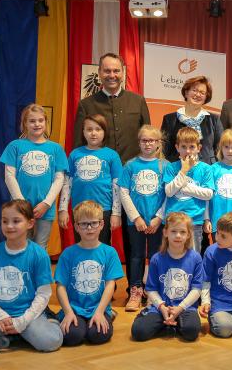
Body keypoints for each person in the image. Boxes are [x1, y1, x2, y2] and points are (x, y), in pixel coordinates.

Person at [73, 52, 151, 299]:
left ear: (123, 72)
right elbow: (78, 145)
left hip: (133, 183)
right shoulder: (87, 104)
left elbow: (146, 137)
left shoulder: (138, 101)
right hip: (99, 186)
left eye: (116, 71)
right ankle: (98, 286)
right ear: (99, 74)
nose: (112, 75)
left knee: (133, 239)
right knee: (99, 235)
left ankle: (135, 287)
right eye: (107, 71)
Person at [0, 200, 63, 357]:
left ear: (30, 223)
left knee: (50, 341)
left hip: (27, 314)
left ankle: (50, 321)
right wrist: (0, 316)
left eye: (16, 221)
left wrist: (23, 321)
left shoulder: (39, 255)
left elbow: (43, 294)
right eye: (5, 221)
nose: (9, 226)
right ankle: (11, 338)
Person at [55, 201, 124, 346]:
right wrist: (68, 312)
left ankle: (108, 314)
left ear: (101, 225)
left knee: (98, 335)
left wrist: (100, 312)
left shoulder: (109, 253)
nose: (89, 228)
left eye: (93, 223)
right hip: (74, 308)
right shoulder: (68, 254)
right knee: (71, 336)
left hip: (98, 307)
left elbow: (110, 285)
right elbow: (60, 286)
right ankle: (67, 319)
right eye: (84, 224)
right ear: (76, 227)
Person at [0, 104, 68, 249]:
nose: (37, 124)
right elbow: (9, 176)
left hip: (45, 207)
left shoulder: (56, 148)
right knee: (20, 245)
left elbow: (59, 179)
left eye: (40, 120)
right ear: (25, 124)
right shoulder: (15, 146)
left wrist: (46, 203)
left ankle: (38, 273)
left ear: (46, 122)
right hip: (20, 207)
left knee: (40, 247)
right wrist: (22, 203)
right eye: (32, 121)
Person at [131, 212, 203, 342]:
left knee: (191, 331)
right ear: (165, 233)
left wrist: (180, 308)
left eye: (182, 232)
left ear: (188, 235)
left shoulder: (196, 258)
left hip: (185, 306)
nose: (178, 235)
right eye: (173, 231)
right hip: (160, 307)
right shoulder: (157, 259)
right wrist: (162, 307)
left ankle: (169, 324)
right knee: (138, 331)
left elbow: (197, 289)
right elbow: (151, 289)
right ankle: (168, 322)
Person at [119, 125, 168, 311]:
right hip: (136, 222)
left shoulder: (165, 166)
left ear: (158, 143)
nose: (148, 144)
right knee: (136, 256)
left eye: (152, 140)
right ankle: (136, 290)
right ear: (139, 142)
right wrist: (136, 217)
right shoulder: (130, 165)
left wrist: (158, 217)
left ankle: (154, 292)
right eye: (144, 140)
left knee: (156, 256)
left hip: (157, 221)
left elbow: (168, 195)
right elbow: (123, 192)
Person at [58, 114, 123, 244]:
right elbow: (67, 184)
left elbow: (117, 186)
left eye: (98, 129)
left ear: (105, 132)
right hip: (79, 209)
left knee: (102, 245)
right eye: (89, 129)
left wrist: (116, 213)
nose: (93, 133)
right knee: (81, 245)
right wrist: (63, 209)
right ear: (83, 132)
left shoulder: (112, 155)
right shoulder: (75, 154)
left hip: (103, 209)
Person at [163, 127, 214, 254]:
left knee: (193, 256)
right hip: (173, 221)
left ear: (199, 148)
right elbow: (169, 192)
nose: (187, 151)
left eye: (192, 147)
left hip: (194, 220)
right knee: (174, 255)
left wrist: (183, 186)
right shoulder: (171, 167)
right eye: (183, 146)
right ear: (177, 147)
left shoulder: (205, 169)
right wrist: (184, 171)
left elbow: (208, 194)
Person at [161, 75, 223, 164]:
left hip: (207, 171)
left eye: (202, 92)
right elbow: (164, 150)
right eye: (194, 90)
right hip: (177, 170)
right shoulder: (170, 119)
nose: (198, 94)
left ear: (206, 97)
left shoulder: (214, 120)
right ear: (186, 93)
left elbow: (220, 149)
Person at [203, 128, 232, 237]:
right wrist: (206, 219)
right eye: (226, 147)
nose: (230, 151)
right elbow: (206, 197)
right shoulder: (213, 169)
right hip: (218, 220)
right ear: (220, 148)